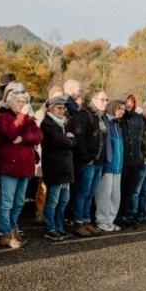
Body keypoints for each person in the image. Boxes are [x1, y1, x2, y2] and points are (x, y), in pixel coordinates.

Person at [0, 84, 42, 248]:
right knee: (7, 202)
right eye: (18, 102)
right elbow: (10, 132)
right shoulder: (3, 117)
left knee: (19, 202)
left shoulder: (29, 119)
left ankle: (13, 227)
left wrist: (23, 139)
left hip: (26, 166)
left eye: (24, 102)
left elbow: (38, 136)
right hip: (10, 166)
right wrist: (22, 116)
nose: (22, 105)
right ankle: (4, 231)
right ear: (10, 103)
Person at [72, 89, 110, 237]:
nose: (105, 102)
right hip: (88, 161)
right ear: (93, 99)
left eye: (106, 100)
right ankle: (78, 222)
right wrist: (87, 157)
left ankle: (87, 220)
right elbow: (79, 137)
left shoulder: (103, 116)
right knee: (83, 192)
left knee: (90, 193)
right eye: (102, 99)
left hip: (99, 161)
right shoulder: (85, 114)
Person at [40, 96, 76, 242]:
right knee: (53, 200)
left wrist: (69, 140)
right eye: (58, 108)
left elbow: (73, 141)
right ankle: (50, 228)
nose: (62, 110)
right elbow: (59, 141)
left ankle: (59, 227)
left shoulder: (64, 124)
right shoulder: (47, 124)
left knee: (64, 200)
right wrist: (69, 140)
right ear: (50, 108)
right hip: (54, 168)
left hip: (66, 168)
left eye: (63, 108)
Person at [34, 85, 66, 226]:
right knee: (43, 187)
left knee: (56, 193)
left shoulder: (63, 117)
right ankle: (40, 212)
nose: (59, 99)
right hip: (44, 152)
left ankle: (53, 220)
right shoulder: (42, 114)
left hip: (61, 160)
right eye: (56, 96)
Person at [95, 100, 125, 232]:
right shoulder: (107, 123)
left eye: (123, 109)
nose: (122, 111)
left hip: (118, 167)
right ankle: (101, 220)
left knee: (115, 196)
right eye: (119, 108)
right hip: (107, 166)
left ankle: (110, 220)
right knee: (104, 195)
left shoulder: (118, 125)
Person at [117, 94, 145, 228]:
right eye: (127, 101)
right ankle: (116, 215)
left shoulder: (138, 118)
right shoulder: (120, 117)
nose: (129, 104)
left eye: (132, 102)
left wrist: (140, 157)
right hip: (122, 161)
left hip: (135, 161)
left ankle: (125, 215)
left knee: (130, 190)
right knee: (119, 189)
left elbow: (140, 139)